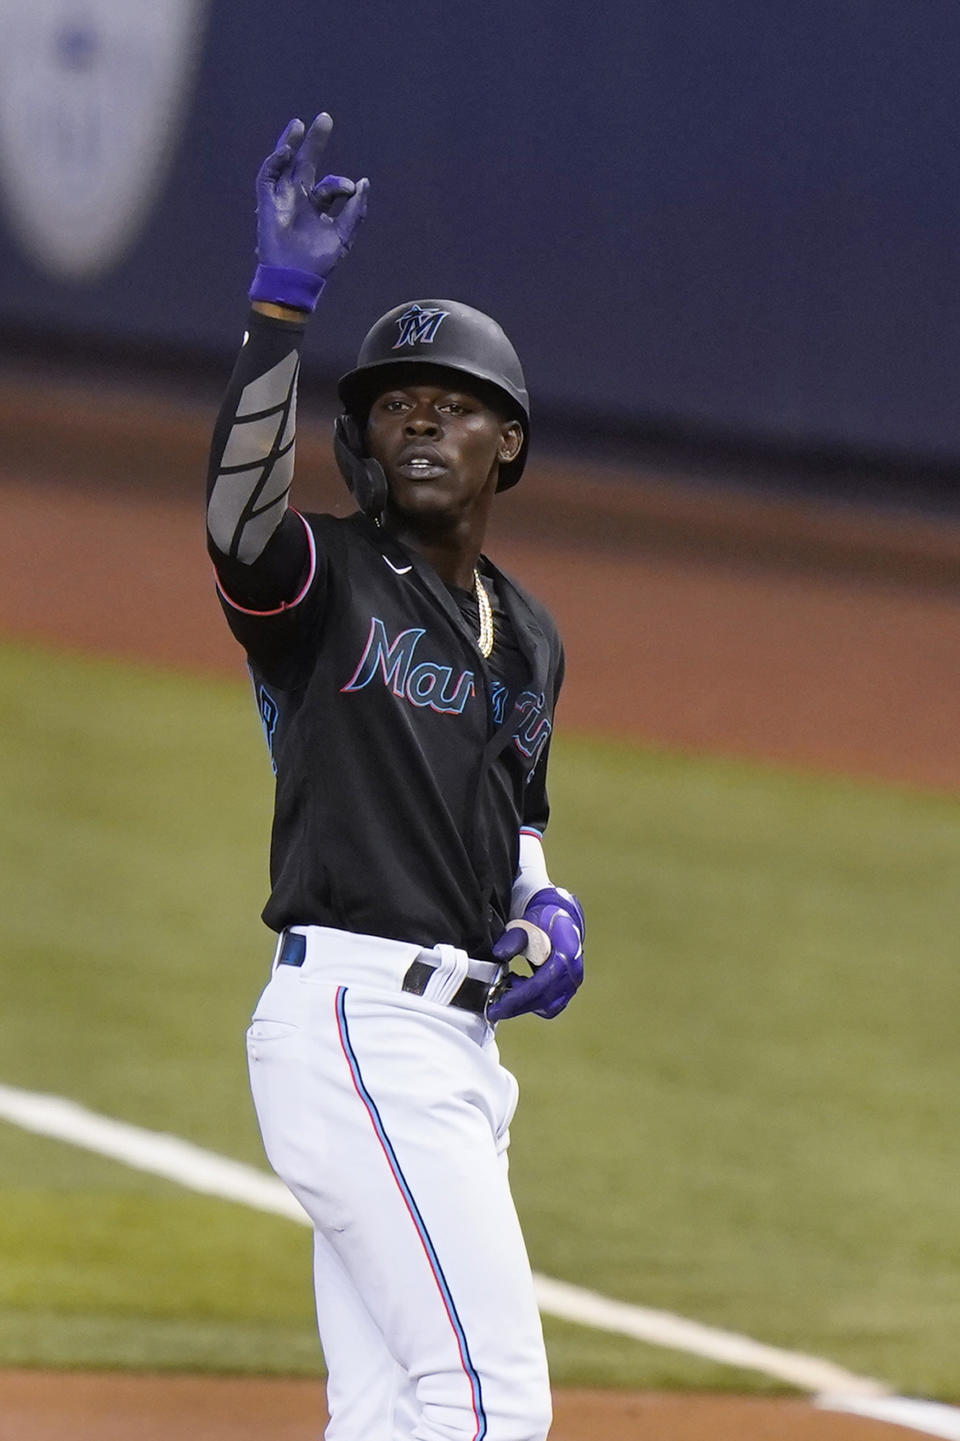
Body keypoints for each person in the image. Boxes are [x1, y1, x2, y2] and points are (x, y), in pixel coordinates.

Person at [205, 112, 586, 1441]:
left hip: (458, 1055)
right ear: (364, 439)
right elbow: (238, 521)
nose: (421, 417)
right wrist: (277, 311)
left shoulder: (528, 638)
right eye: (394, 404)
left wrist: (548, 906)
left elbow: (514, 822)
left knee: (390, 1416)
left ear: (509, 447)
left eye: (455, 403)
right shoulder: (320, 582)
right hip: (356, 1026)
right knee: (492, 1403)